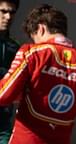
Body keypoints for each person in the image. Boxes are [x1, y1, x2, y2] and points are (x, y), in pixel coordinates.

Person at [0, 4, 76, 144]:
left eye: (34, 37)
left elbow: (3, 95)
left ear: (41, 29)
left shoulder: (32, 53)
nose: (34, 42)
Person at [0, 0, 20, 143]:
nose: (8, 17)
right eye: (3, 11)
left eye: (12, 12)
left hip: (3, 121)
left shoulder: (15, 47)